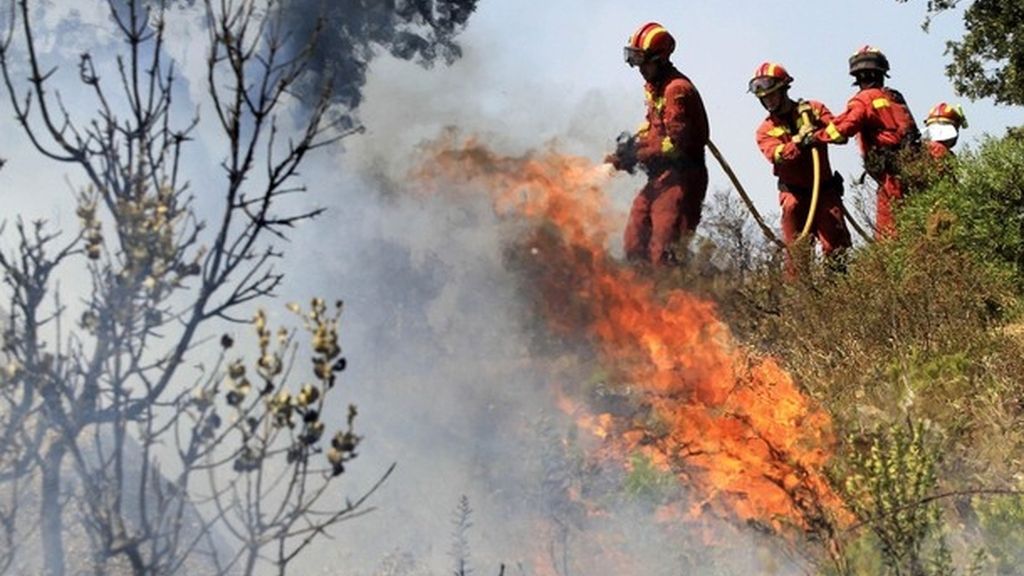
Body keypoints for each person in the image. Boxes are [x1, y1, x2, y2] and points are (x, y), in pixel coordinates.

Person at [605, 22, 709, 265]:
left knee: (663, 251)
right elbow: (653, 127)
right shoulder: (655, 87)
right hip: (660, 176)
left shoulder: (677, 90)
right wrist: (629, 147)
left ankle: (675, 297)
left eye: (643, 61)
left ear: (660, 59)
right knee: (634, 241)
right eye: (635, 59)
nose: (639, 67)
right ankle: (637, 297)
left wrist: (636, 155)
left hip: (681, 177)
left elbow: (674, 144)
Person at [750, 62, 851, 275]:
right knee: (797, 259)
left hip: (825, 192)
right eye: (763, 98)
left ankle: (840, 298)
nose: (768, 101)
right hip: (793, 195)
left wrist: (817, 131)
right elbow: (776, 155)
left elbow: (840, 135)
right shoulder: (765, 130)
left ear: (784, 90)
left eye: (771, 95)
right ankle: (802, 302)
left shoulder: (813, 110)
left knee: (836, 249)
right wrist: (799, 142)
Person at [815, 46, 920, 239]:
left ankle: (891, 267)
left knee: (890, 234)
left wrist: (815, 136)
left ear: (856, 75)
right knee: (914, 225)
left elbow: (842, 130)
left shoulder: (863, 100)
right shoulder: (894, 97)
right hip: (914, 171)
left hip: (891, 177)